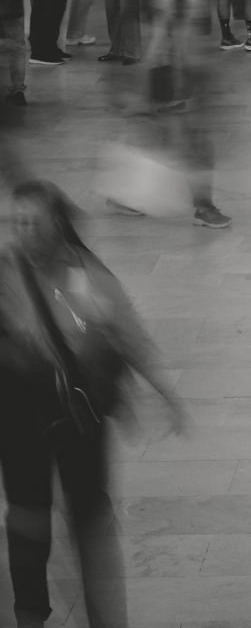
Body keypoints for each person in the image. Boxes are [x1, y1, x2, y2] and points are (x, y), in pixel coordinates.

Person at [0, 180, 186, 628]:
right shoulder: (5, 272)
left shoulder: (84, 274)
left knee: (90, 521)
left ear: (57, 225)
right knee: (27, 522)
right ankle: (30, 616)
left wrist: (165, 393)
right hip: (19, 415)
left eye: (33, 223)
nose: (24, 232)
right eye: (17, 222)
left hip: (77, 420)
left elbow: (127, 334)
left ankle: (106, 616)